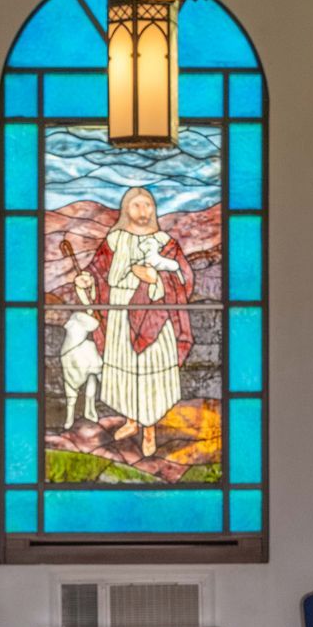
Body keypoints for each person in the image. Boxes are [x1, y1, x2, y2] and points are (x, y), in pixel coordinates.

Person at [81, 186, 194, 459]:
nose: (143, 212)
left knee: (151, 369)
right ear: (126, 209)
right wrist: (86, 281)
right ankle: (132, 420)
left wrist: (155, 279)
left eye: (148, 206)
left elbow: (185, 280)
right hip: (120, 315)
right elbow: (97, 271)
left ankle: (150, 428)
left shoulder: (165, 243)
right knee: (125, 368)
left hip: (155, 317)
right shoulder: (114, 240)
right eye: (137, 206)